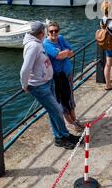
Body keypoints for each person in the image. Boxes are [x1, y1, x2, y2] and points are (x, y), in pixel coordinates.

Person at [20, 21, 79, 150]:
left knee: (54, 110)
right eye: (47, 31)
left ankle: (60, 136)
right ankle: (63, 137)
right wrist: (24, 85)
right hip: (39, 86)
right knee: (57, 110)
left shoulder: (38, 42)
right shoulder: (33, 46)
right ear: (42, 33)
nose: (50, 33)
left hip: (48, 82)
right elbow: (25, 69)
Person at [43, 22, 83, 134]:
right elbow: (58, 56)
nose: (54, 33)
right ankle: (70, 122)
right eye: (51, 31)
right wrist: (65, 53)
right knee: (61, 99)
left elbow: (72, 52)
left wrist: (64, 53)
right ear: (47, 32)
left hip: (67, 72)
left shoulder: (60, 38)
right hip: (57, 76)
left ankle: (74, 119)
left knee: (70, 95)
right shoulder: (46, 44)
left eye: (56, 30)